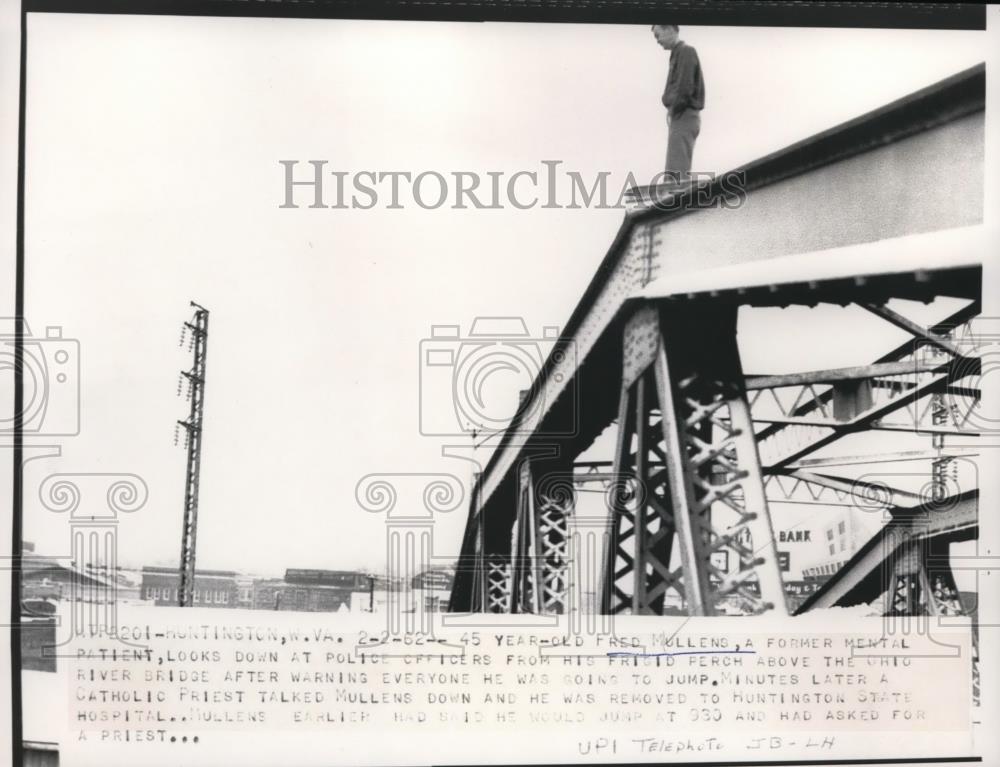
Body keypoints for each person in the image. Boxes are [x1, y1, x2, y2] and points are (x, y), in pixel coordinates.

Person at [652, 24, 705, 183]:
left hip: (684, 115)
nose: (658, 41)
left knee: (677, 174)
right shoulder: (677, 54)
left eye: (658, 35)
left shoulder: (686, 52)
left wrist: (673, 109)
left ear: (669, 29)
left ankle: (675, 205)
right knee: (673, 172)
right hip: (679, 115)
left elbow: (684, 88)